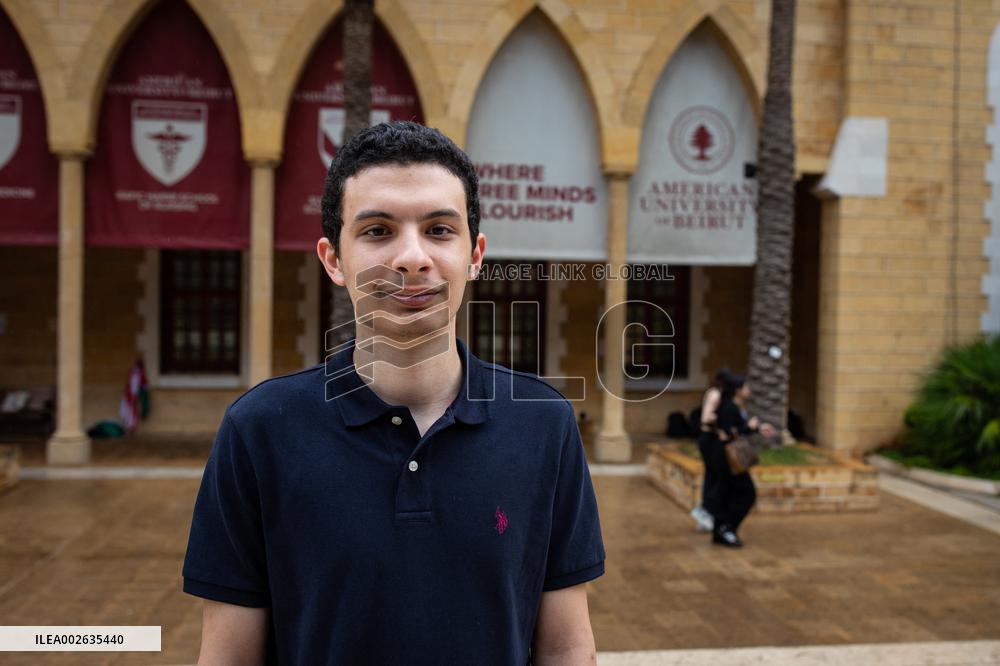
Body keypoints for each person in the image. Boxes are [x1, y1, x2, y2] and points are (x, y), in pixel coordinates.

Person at [181, 121, 605, 664]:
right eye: (378, 231)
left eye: (439, 230)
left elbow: (567, 647)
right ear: (335, 259)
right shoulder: (260, 429)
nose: (412, 258)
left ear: (475, 255)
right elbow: (228, 657)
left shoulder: (544, 424)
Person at [697, 369, 774, 548]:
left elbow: (734, 428)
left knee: (725, 493)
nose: (748, 389)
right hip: (728, 460)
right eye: (745, 386)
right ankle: (728, 528)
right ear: (737, 389)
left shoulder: (730, 404)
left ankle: (719, 531)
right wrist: (745, 428)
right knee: (747, 494)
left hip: (723, 457)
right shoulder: (728, 406)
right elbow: (729, 430)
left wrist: (755, 428)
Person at [690, 371, 723, 532]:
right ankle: (704, 510)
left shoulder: (712, 392)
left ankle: (706, 513)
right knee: (715, 476)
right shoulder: (716, 394)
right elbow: (706, 418)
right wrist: (721, 417)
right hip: (709, 438)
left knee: (711, 475)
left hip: (707, 439)